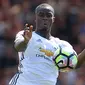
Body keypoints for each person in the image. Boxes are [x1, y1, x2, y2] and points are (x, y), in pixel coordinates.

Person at [9, 3, 85, 85]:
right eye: (41, 15)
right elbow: (18, 47)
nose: (45, 18)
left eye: (48, 15)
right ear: (35, 18)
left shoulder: (62, 45)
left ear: (53, 19)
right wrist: (25, 41)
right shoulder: (26, 35)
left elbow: (74, 64)